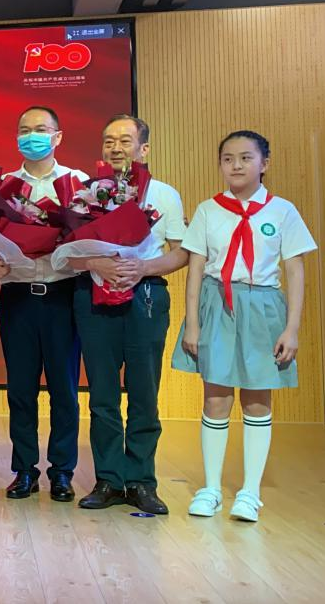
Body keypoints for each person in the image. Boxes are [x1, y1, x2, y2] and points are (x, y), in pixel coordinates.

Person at [174, 131, 314, 523]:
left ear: (264, 163)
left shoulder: (283, 211)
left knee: (257, 400)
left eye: (246, 158)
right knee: (216, 398)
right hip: (218, 304)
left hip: (263, 306)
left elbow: (295, 270)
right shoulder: (208, 210)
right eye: (228, 158)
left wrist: (292, 329)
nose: (236, 165)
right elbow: (195, 270)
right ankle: (211, 488)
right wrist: (192, 324)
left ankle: (250, 492)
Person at [69, 116, 187, 514]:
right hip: (93, 296)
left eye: (124, 140)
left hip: (145, 296)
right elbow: (66, 255)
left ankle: (140, 481)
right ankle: (107, 479)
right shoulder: (86, 194)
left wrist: (144, 268)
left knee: (144, 392)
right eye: (108, 141)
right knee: (102, 394)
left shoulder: (164, 194)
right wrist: (94, 263)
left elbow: (182, 252)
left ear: (144, 149)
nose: (115, 148)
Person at [0, 106, 88, 503]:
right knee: (20, 389)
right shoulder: (3, 186)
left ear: (57, 136)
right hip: (17, 297)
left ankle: (62, 471)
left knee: (64, 389)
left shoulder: (78, 184)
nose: (31, 136)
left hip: (62, 295)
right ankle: (24, 470)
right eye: (24, 129)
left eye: (40, 129)